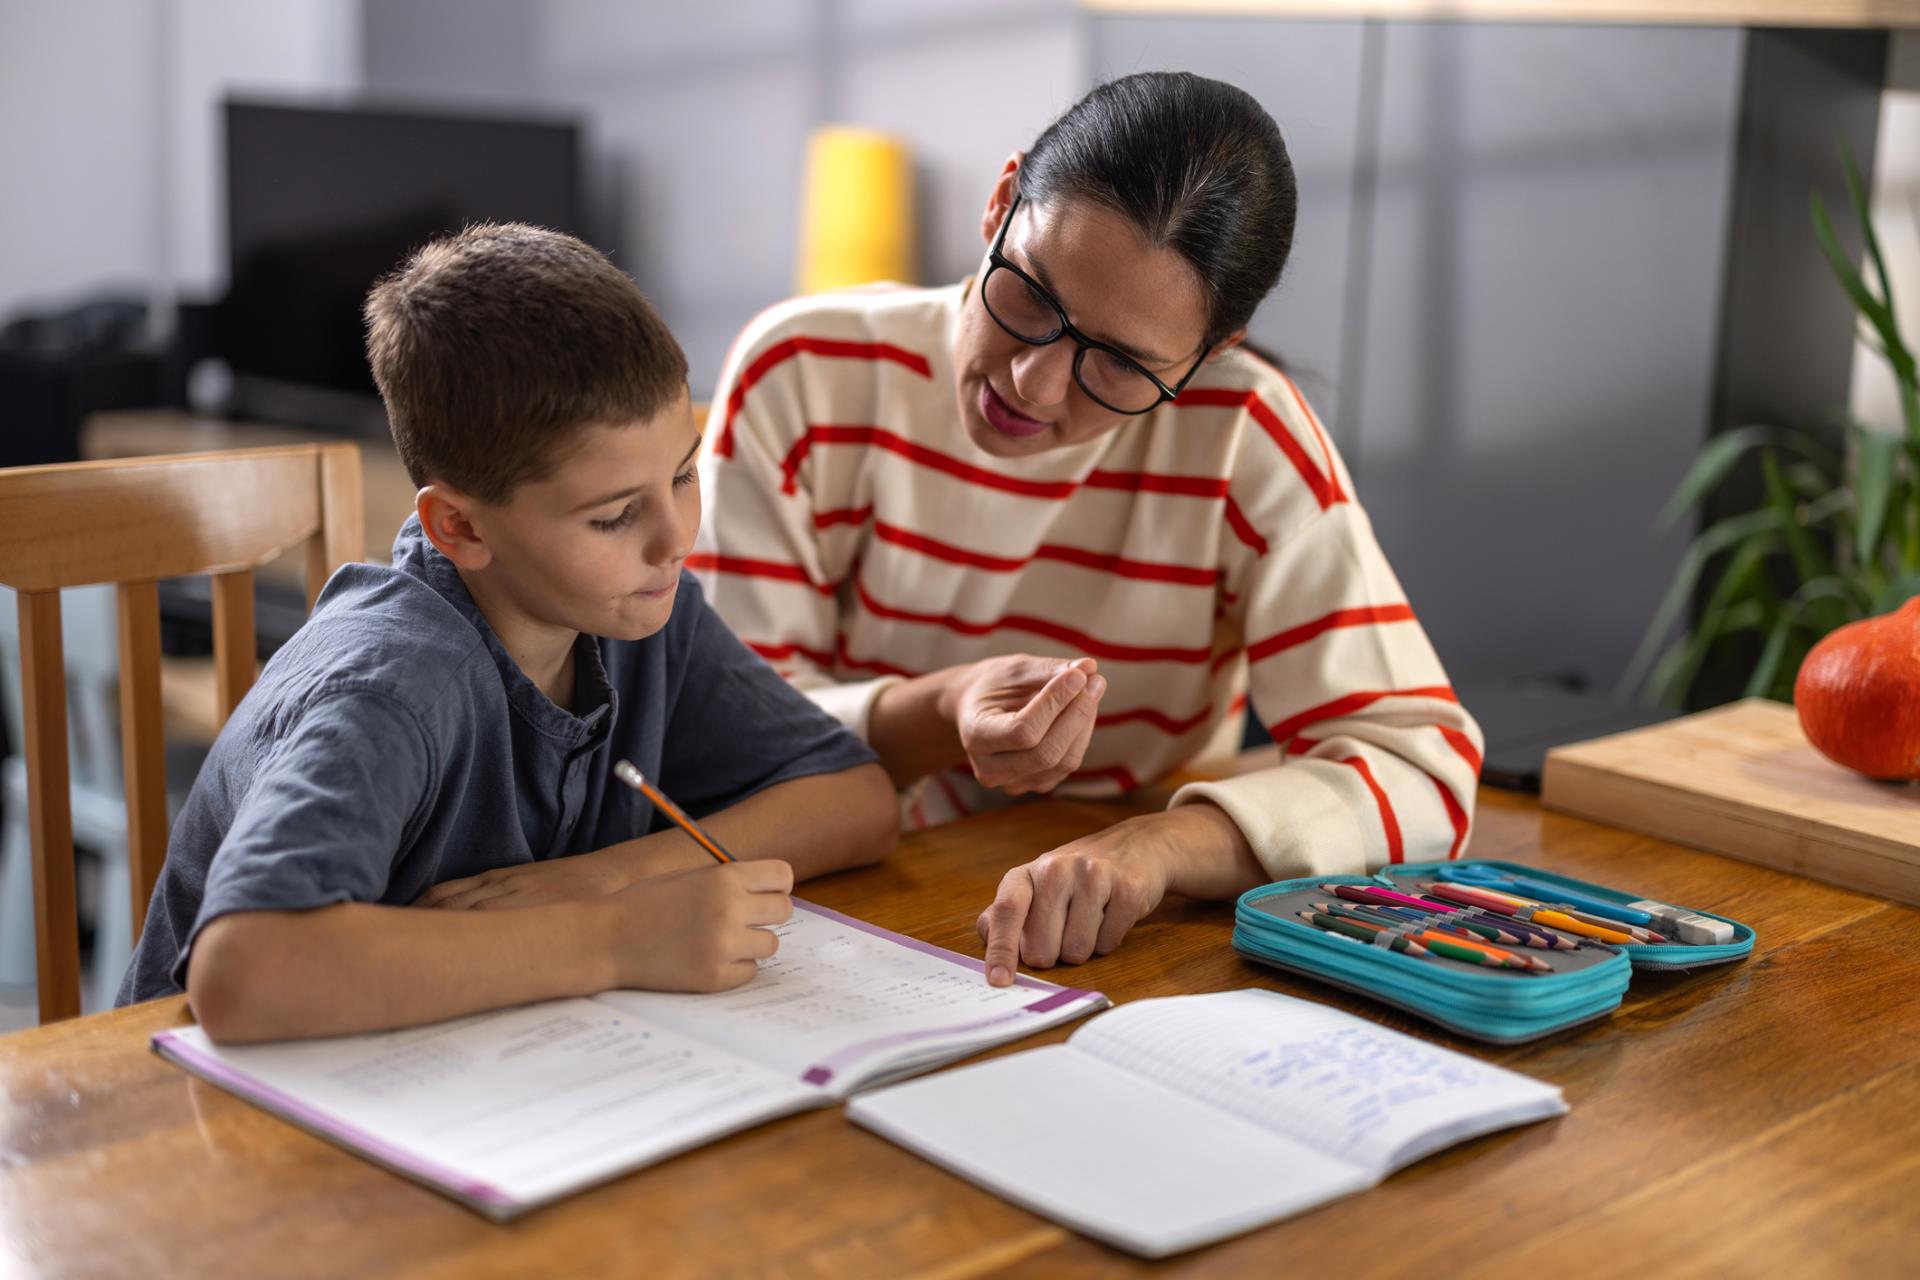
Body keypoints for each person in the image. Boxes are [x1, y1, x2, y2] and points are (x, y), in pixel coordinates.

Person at [691, 72, 1482, 986]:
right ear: (1000, 204)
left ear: (1212, 353)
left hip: (1113, 950)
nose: (1034, 383)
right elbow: (727, 734)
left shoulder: (1242, 433)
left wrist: (1158, 849)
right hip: (826, 912)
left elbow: (1423, 767)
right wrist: (945, 711)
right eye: (1030, 296)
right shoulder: (804, 369)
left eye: (1119, 364)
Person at [119, 224, 898, 1041]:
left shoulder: (639, 615)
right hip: (202, 1132)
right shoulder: (391, 686)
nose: (676, 539)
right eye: (613, 516)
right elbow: (244, 972)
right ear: (458, 525)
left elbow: (856, 798)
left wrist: (612, 879)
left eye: (682, 474)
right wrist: (615, 936)